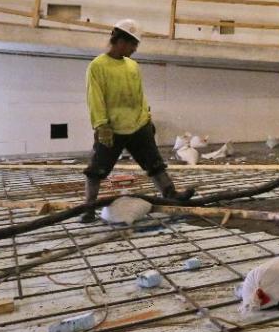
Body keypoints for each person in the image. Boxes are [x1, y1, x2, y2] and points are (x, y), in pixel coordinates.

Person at [82, 19, 195, 222]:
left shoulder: (132, 66)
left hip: (138, 126)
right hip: (112, 129)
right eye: (133, 44)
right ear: (120, 41)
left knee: (155, 165)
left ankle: (171, 196)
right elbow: (95, 98)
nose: (135, 49)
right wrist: (101, 125)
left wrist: (146, 118)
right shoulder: (97, 66)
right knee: (96, 170)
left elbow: (140, 96)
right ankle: (88, 208)